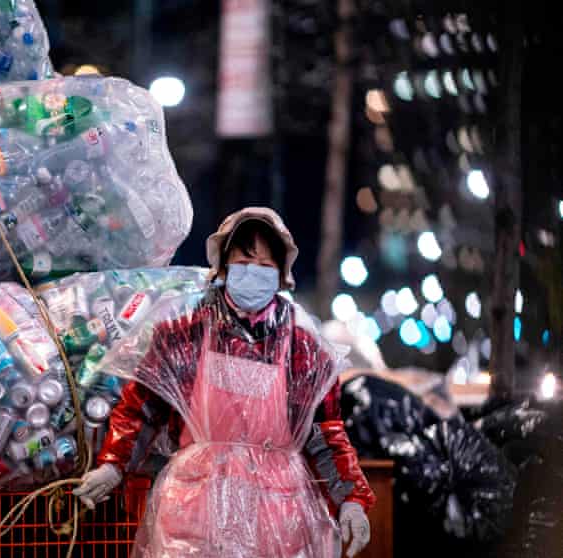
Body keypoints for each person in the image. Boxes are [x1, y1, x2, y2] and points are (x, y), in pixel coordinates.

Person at [73, 207, 376, 558]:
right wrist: (113, 465)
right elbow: (142, 407)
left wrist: (352, 499)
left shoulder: (304, 347)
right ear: (223, 266)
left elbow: (326, 433)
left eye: (265, 266)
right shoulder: (184, 332)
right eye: (245, 262)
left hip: (280, 516)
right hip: (194, 510)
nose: (254, 274)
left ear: (281, 274)